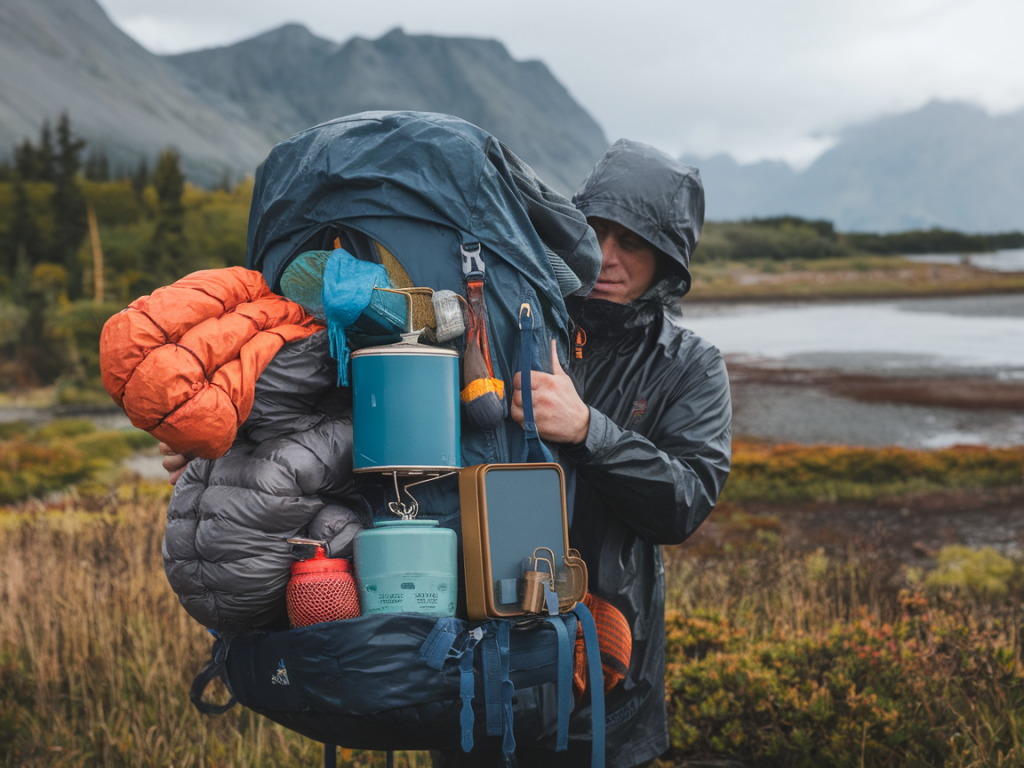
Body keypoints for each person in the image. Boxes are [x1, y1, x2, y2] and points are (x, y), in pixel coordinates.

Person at [508, 139, 732, 767]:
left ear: (667, 257)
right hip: (485, 670)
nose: (605, 256)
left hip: (611, 686)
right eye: (594, 232)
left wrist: (588, 430)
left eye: (631, 241)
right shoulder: (518, 326)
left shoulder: (691, 366)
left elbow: (684, 503)